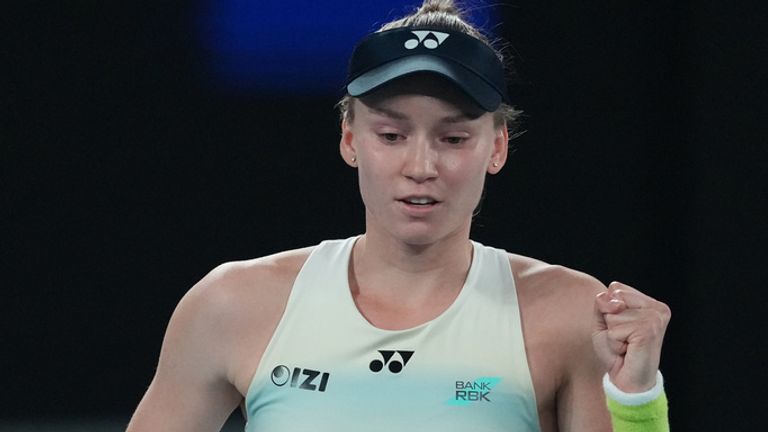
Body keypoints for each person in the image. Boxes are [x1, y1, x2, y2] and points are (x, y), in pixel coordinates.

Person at [127, 1, 671, 431]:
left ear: (498, 147)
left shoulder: (571, 313)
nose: (421, 166)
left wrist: (639, 402)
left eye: (453, 137)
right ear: (350, 139)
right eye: (391, 135)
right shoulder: (232, 304)